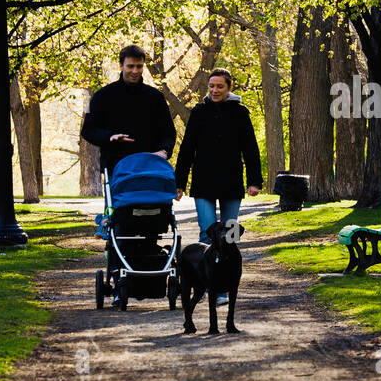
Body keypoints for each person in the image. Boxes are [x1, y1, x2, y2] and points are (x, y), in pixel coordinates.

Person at [175, 68, 263, 260]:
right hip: (204, 181)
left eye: (220, 86)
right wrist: (179, 183)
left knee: (230, 235)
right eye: (211, 86)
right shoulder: (199, 112)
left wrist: (254, 181)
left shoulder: (240, 113)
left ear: (229, 87)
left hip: (231, 181)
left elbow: (250, 149)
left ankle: (225, 284)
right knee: (207, 234)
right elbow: (187, 150)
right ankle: (207, 283)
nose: (215, 90)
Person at [80, 45, 177, 174]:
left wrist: (164, 151)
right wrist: (110, 136)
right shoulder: (102, 96)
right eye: (130, 66)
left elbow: (168, 133)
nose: (135, 71)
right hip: (116, 170)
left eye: (139, 66)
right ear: (121, 66)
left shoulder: (155, 97)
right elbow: (88, 130)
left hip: (150, 169)